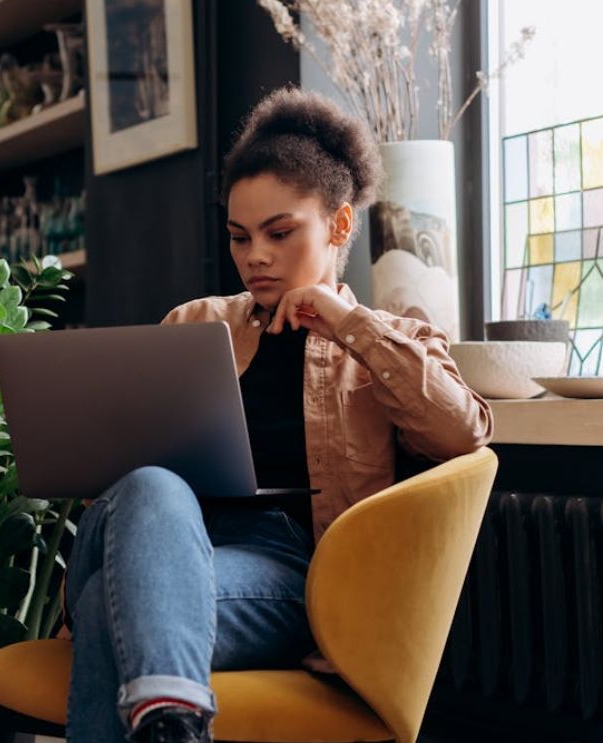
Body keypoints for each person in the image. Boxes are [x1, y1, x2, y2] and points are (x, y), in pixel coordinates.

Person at [63, 87, 493, 743]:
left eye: (278, 232)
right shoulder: (194, 322)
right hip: (150, 536)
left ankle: (167, 715)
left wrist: (349, 322)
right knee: (153, 485)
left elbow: (461, 431)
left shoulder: (388, 338)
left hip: (287, 573)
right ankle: (174, 720)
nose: (253, 256)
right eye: (238, 237)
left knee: (102, 609)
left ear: (340, 225)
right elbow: (119, 473)